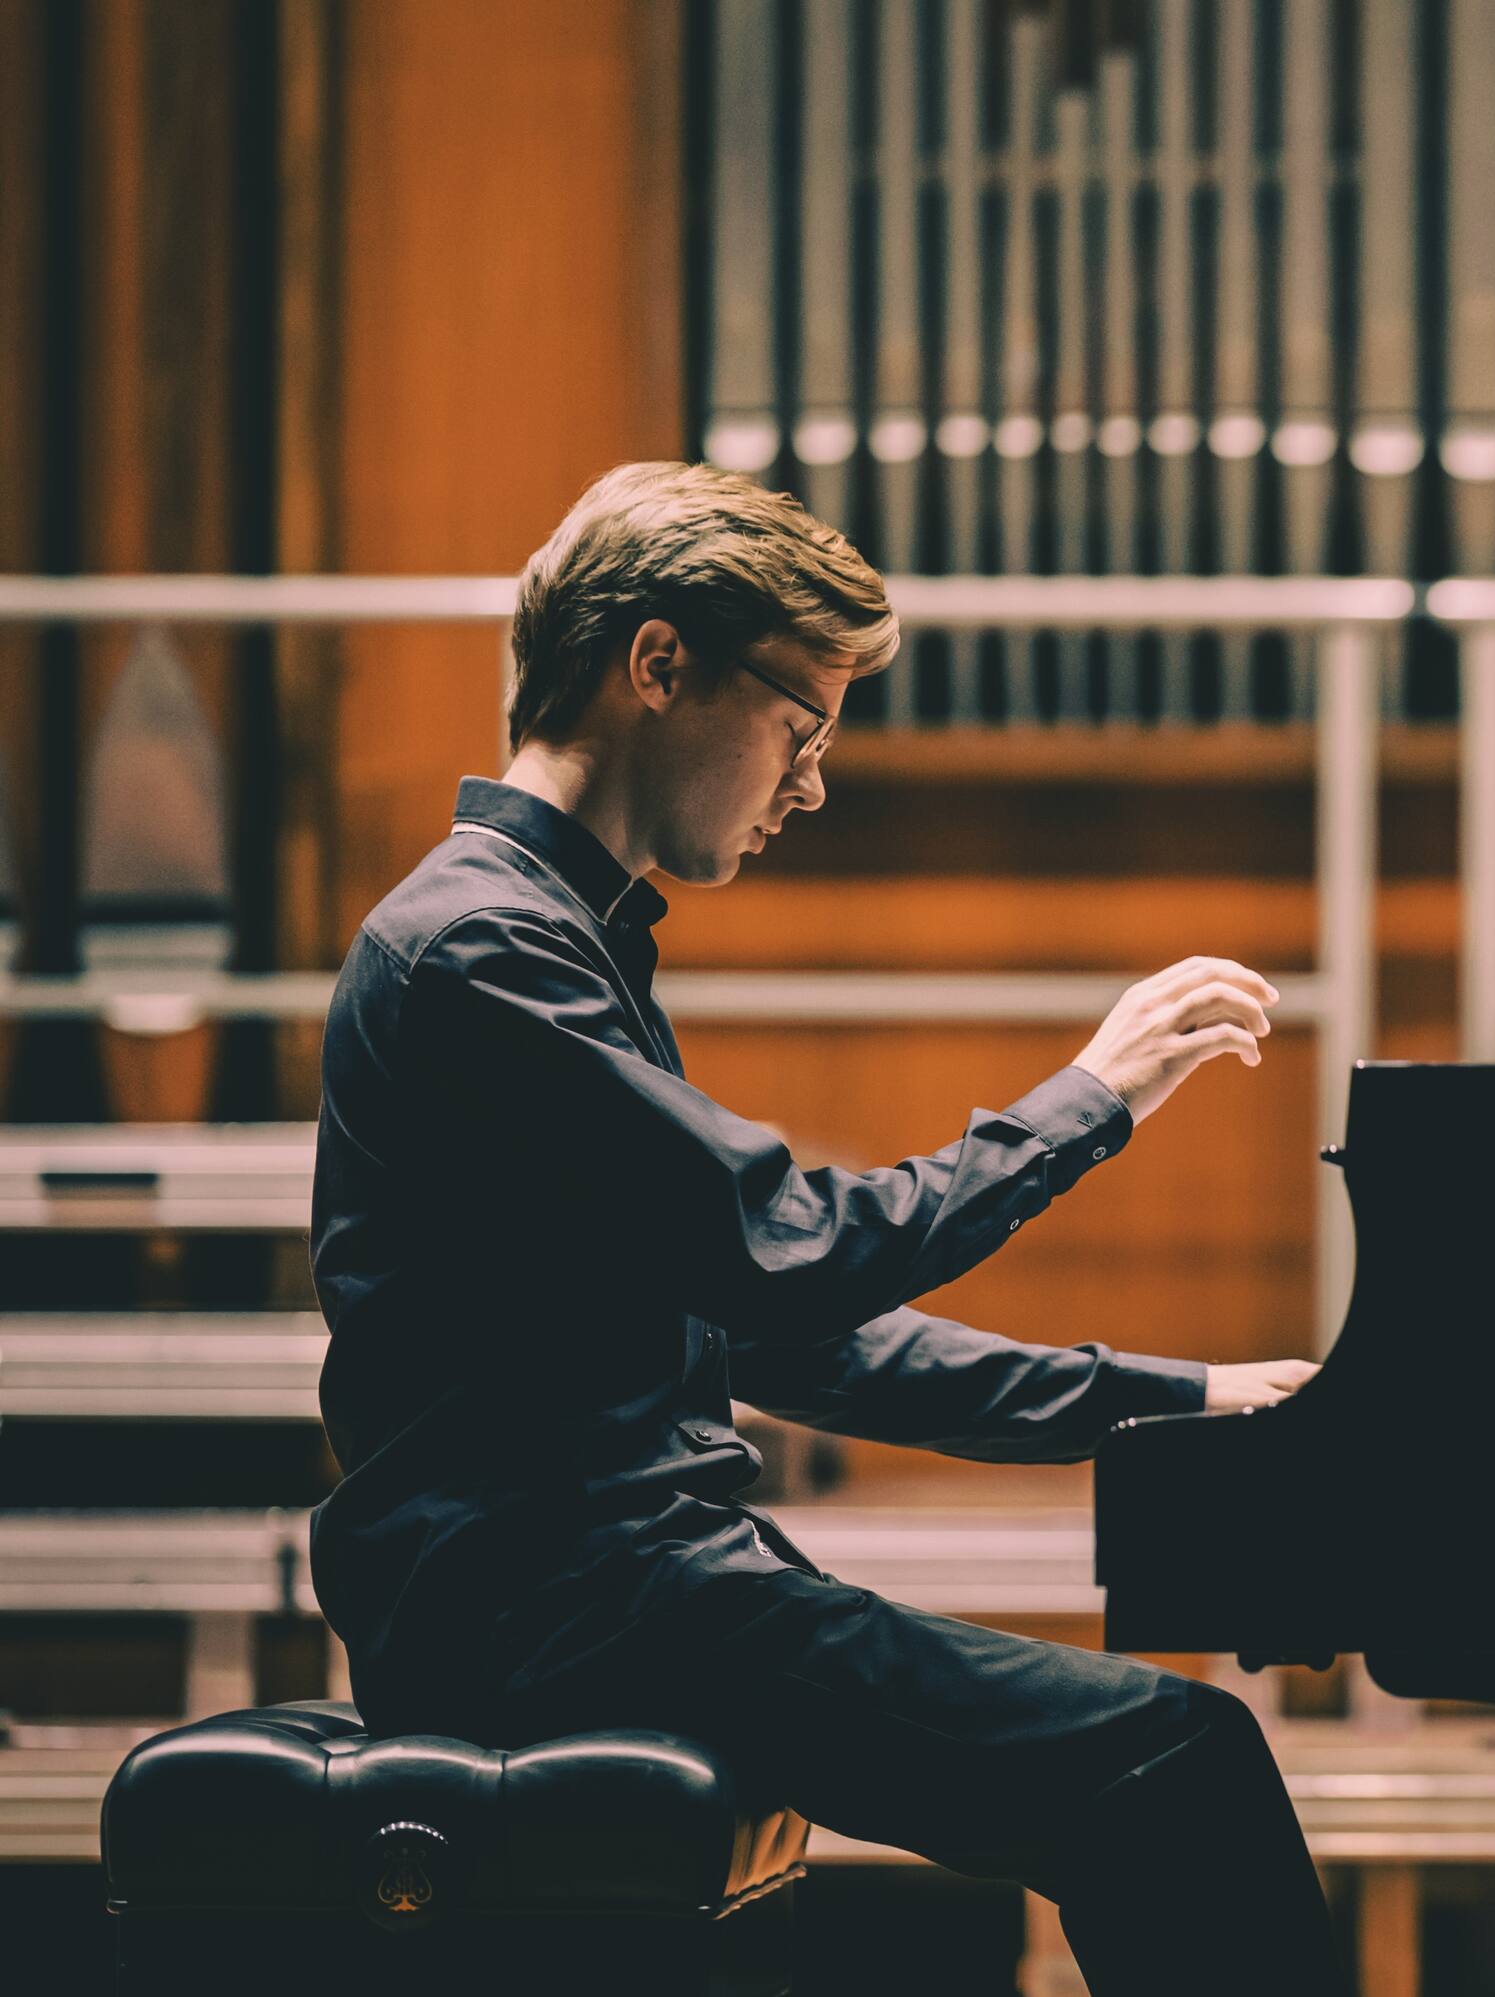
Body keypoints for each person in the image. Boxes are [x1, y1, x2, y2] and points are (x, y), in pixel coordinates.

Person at [308, 461, 1334, 1990]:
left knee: (1171, 1756)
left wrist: (1176, 1400)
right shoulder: (481, 953)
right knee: (1171, 1763)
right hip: (568, 1607)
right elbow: (784, 1251)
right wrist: (1091, 1095)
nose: (812, 781)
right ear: (657, 665)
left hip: (612, 1588)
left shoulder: (544, 939)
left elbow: (788, 1331)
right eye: (800, 724)